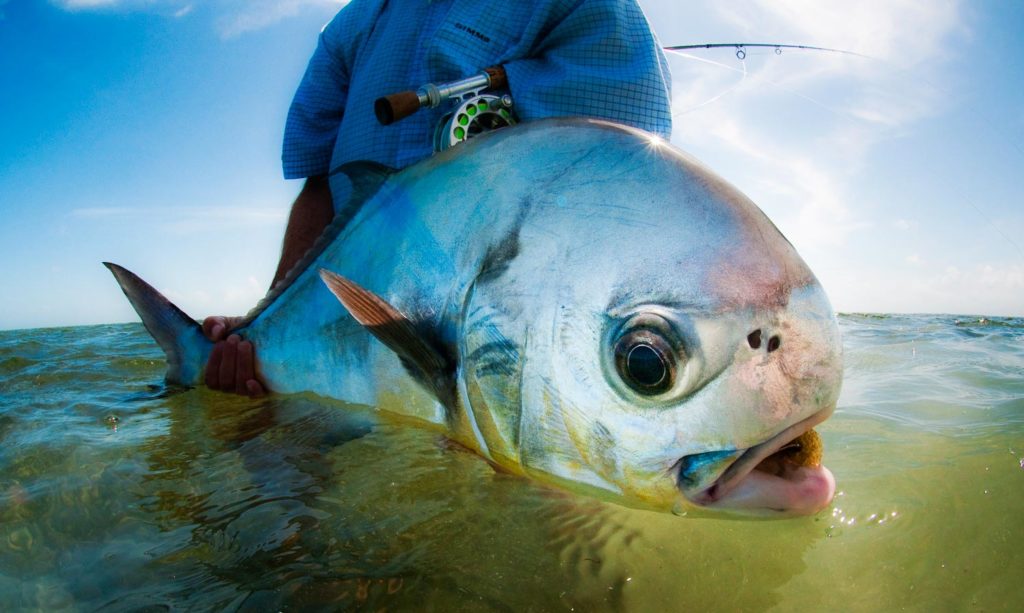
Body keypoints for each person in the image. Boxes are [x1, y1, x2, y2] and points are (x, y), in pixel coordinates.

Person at [204, 0, 673, 395]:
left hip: (501, 360)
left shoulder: (584, 7)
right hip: (341, 339)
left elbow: (622, 174)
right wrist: (262, 327)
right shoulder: (350, 27)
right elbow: (319, 188)